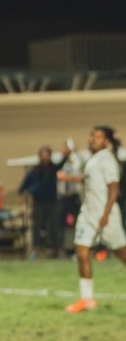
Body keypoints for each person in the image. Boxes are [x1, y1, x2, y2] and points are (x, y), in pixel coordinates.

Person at [57, 125, 126, 313]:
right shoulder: (93, 160)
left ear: (106, 141)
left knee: (121, 253)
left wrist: (105, 215)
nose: (92, 139)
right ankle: (86, 299)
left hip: (106, 215)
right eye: (91, 136)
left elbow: (114, 189)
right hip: (88, 214)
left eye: (97, 137)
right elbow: (88, 180)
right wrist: (69, 178)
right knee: (81, 251)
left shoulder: (108, 160)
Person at [18, 146, 65, 259]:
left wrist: (66, 154)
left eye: (47, 155)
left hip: (52, 202)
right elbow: (24, 186)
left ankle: (56, 250)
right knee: (37, 226)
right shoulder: (34, 171)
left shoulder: (54, 169)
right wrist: (28, 191)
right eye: (43, 155)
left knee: (54, 226)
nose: (45, 158)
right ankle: (35, 250)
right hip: (38, 203)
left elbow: (61, 164)